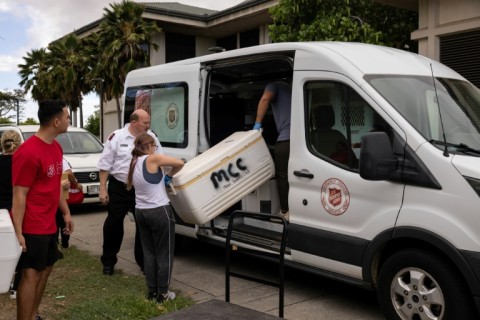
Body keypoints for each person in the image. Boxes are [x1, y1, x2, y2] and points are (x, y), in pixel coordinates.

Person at [12, 100, 73, 320]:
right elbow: (19, 194)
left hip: (49, 222)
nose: (69, 120)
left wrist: (65, 212)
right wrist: (18, 231)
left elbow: (55, 185)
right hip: (32, 223)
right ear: (56, 122)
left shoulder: (56, 147)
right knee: (31, 273)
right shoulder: (27, 152)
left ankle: (33, 314)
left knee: (46, 269)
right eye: (67, 116)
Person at [98, 109, 163, 275]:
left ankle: (144, 263)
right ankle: (108, 261)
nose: (148, 126)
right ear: (134, 122)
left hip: (141, 188)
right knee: (114, 224)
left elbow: (159, 158)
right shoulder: (117, 137)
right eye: (145, 123)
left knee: (143, 226)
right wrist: (103, 189)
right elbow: (105, 165)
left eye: (149, 122)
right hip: (119, 187)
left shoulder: (151, 137)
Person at [127, 133, 184, 303]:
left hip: (141, 211)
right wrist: (169, 176)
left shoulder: (134, 162)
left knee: (149, 253)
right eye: (154, 147)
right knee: (164, 253)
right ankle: (163, 294)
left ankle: (152, 291)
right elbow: (180, 163)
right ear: (150, 146)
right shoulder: (152, 159)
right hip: (159, 211)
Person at [253, 81, 291, 219]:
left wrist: (257, 124)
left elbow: (265, 98)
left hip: (286, 140)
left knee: (283, 176)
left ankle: (285, 212)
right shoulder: (291, 88)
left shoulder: (273, 85)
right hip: (300, 139)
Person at [0, 130, 23, 300]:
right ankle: (16, 286)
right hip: (17, 210)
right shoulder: (21, 163)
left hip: (0, 212)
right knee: (20, 248)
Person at [56, 157, 83, 250]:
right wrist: (76, 185)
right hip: (61, 194)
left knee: (56, 219)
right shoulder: (61, 160)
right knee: (63, 218)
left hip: (52, 195)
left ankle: (56, 243)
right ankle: (65, 243)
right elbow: (69, 173)